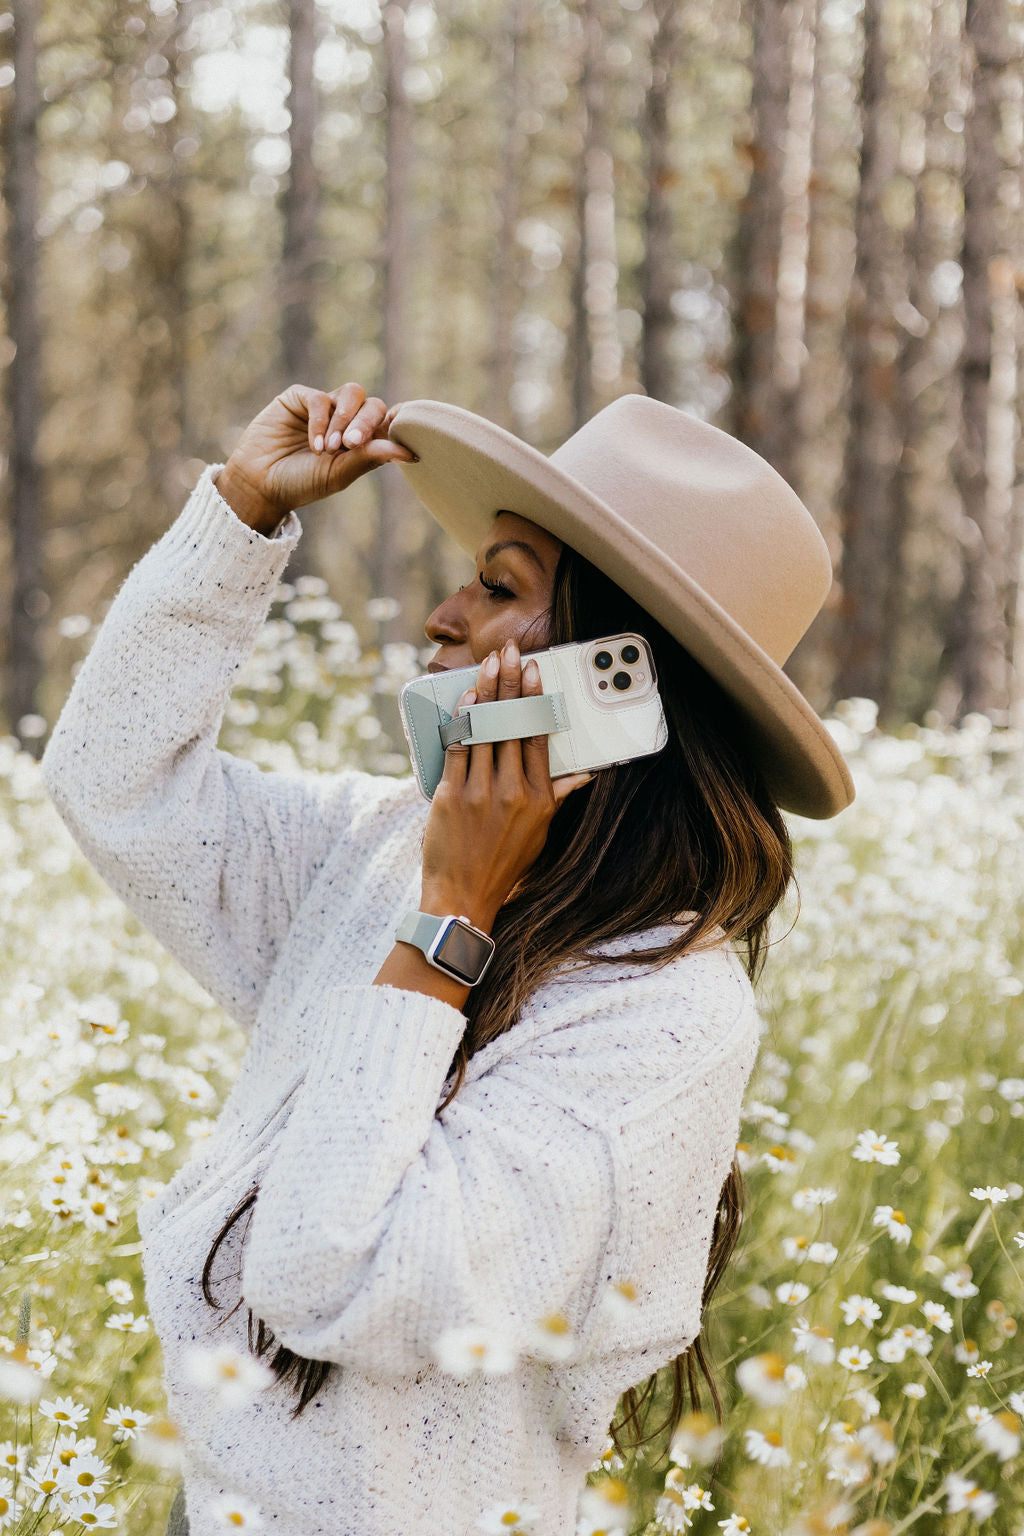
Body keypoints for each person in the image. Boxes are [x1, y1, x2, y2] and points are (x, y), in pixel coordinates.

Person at [40, 382, 854, 1536]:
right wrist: (239, 514)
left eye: (498, 585)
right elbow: (115, 782)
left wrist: (452, 914)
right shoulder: (379, 850)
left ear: (614, 673)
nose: (441, 614)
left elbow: (325, 1272)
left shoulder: (665, 1017)